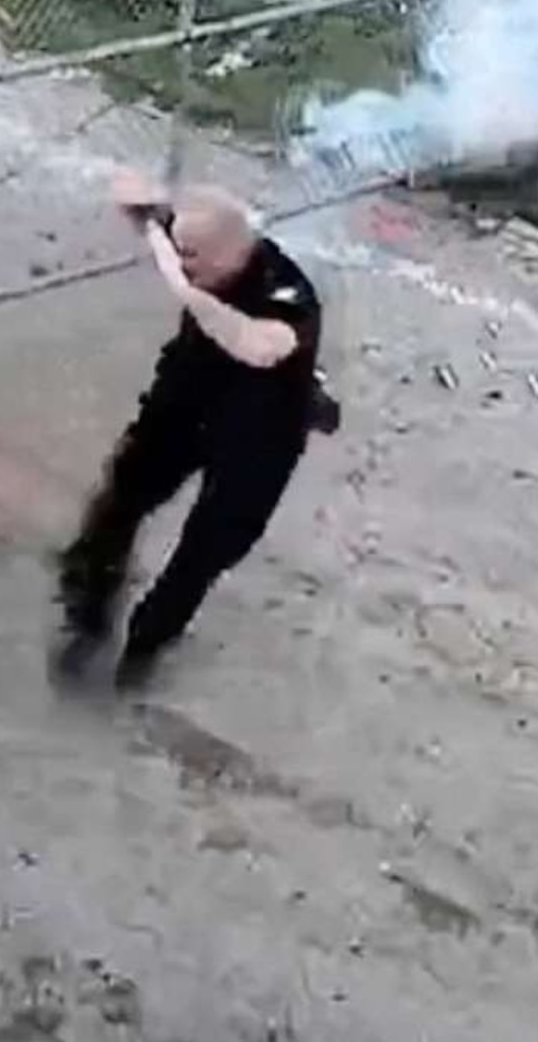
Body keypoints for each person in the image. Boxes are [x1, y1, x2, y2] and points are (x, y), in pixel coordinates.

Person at [56, 174, 330, 690]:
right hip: (187, 400)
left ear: (229, 256)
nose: (181, 266)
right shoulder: (192, 243)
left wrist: (188, 293)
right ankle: (87, 618)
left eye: (193, 259)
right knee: (120, 501)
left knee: (206, 548)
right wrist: (144, 206)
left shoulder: (288, 294)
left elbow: (258, 345)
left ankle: (145, 647)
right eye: (179, 254)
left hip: (259, 434)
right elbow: (135, 200)